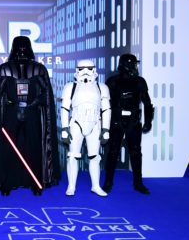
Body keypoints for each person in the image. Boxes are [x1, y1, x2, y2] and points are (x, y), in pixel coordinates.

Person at [0, 36, 60, 196]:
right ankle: (7, 182)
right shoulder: (5, 69)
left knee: (34, 148)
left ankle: (35, 182)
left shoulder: (37, 69)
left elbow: (45, 95)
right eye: (19, 49)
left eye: (23, 48)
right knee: (8, 149)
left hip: (31, 113)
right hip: (12, 114)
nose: (21, 52)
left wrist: (35, 102)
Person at [102, 53, 154, 195]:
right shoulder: (113, 81)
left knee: (136, 152)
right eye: (134, 64)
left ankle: (138, 183)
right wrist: (104, 123)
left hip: (133, 121)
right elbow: (104, 103)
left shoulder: (139, 81)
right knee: (113, 152)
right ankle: (108, 182)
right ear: (128, 64)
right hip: (116, 120)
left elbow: (148, 103)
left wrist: (149, 121)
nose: (135, 66)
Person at [61, 59, 111, 197]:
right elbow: (65, 108)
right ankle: (71, 186)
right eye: (82, 69)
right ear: (76, 70)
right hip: (76, 123)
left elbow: (106, 109)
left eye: (89, 68)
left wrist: (106, 129)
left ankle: (95, 186)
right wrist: (65, 128)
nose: (85, 72)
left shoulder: (102, 87)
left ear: (94, 70)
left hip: (95, 123)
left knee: (95, 157)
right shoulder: (70, 87)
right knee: (72, 156)